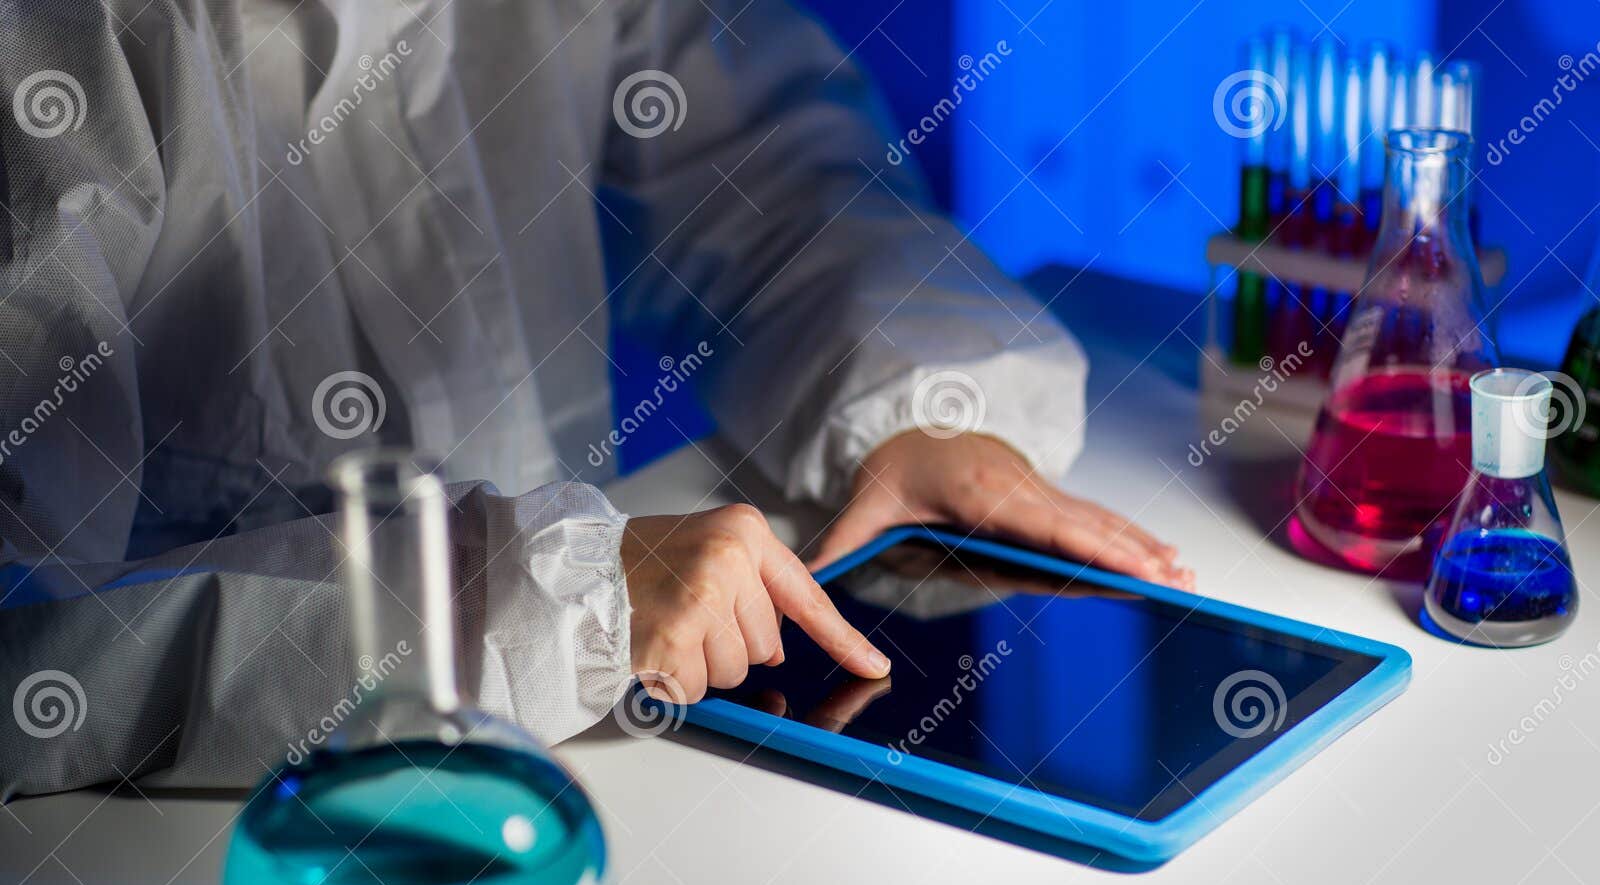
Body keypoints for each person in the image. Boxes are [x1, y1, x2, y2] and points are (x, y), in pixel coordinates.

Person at [0, 0, 1190, 797]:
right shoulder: (53, 52)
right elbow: (30, 634)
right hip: (194, 846)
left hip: (581, 749)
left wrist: (921, 399)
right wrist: (514, 596)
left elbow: (786, 180)